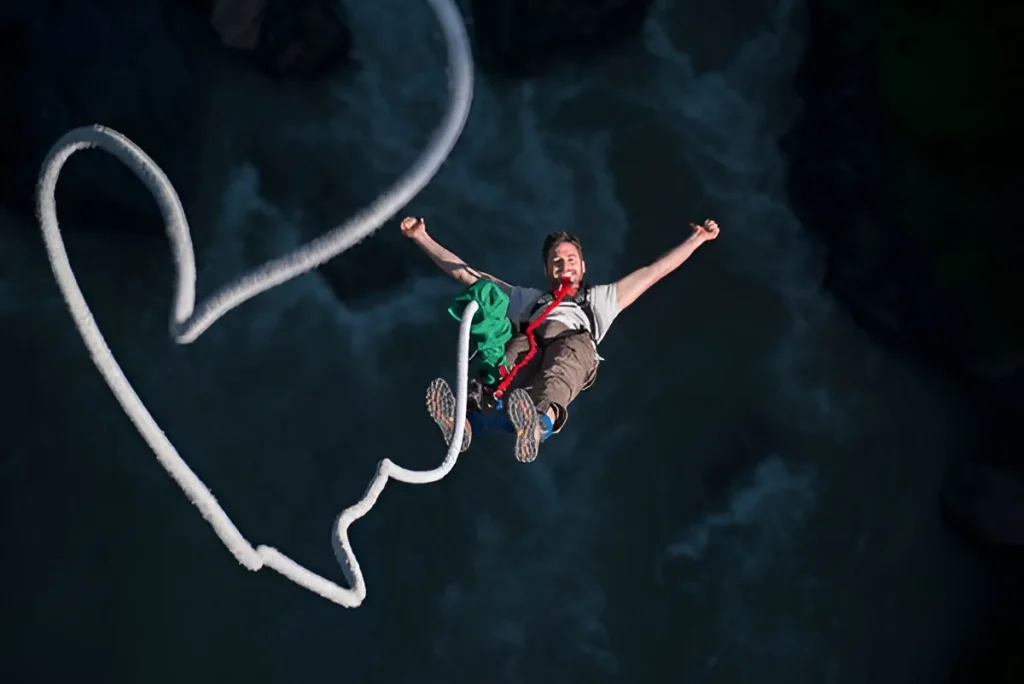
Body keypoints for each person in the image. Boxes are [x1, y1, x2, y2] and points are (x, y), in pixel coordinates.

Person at [401, 215, 720, 462]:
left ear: (582, 266)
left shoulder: (600, 300)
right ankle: (470, 419)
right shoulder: (531, 300)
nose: (563, 264)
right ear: (547, 271)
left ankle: (538, 424)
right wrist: (421, 237)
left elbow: (654, 271)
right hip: (532, 346)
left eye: (569, 260)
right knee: (513, 349)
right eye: (556, 261)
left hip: (574, 346)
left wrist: (697, 239)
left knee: (566, 358)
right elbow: (467, 274)